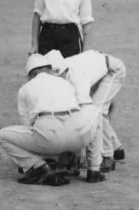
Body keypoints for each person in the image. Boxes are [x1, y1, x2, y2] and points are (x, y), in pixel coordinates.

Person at [0, 53, 98, 186]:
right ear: (49, 70)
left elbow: (28, 124)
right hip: (79, 137)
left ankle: (37, 167)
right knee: (96, 112)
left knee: (1, 136)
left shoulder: (25, 89)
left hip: (51, 137)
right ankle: (94, 168)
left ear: (31, 75)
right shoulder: (65, 83)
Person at [53, 48, 126, 180]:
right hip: (99, 70)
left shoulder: (78, 79)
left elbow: (87, 112)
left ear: (65, 71)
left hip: (114, 70)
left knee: (98, 110)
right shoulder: (63, 69)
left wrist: (81, 150)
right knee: (97, 108)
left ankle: (108, 157)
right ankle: (117, 148)